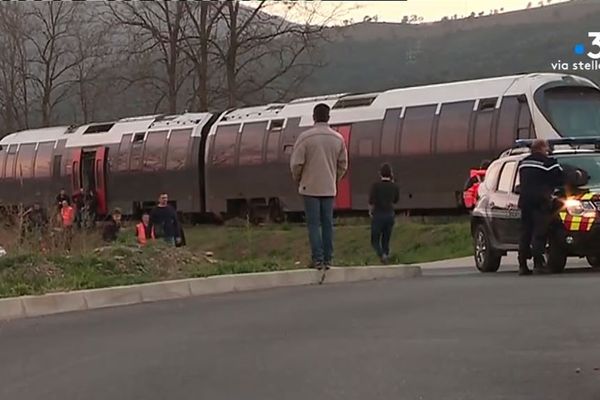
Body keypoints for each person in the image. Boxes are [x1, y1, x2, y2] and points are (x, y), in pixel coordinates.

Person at [290, 103, 348, 269]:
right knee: (327, 223)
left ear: (314, 117)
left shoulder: (305, 138)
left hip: (310, 187)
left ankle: (317, 259)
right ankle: (328, 258)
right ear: (328, 117)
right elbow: (343, 164)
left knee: (314, 224)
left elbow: (296, 164)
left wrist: (299, 179)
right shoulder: (338, 139)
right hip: (329, 188)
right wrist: (334, 178)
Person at [517, 139, 564, 276]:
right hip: (540, 202)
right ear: (543, 148)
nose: (548, 150)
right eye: (547, 148)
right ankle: (539, 264)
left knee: (525, 233)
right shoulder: (548, 163)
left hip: (525, 201)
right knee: (539, 233)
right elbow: (560, 178)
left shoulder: (523, 163)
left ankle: (522, 265)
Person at [369, 163, 400, 264]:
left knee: (374, 240)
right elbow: (396, 200)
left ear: (380, 173)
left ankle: (382, 255)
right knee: (386, 240)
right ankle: (386, 256)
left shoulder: (376, 186)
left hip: (378, 215)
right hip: (390, 215)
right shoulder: (394, 186)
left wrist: (371, 211)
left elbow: (371, 201)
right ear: (390, 173)